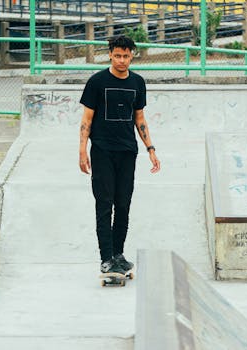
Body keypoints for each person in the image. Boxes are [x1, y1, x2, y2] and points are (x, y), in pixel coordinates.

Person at [78, 35, 161, 274]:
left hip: (128, 152)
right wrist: (82, 150)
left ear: (132, 55)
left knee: (123, 204)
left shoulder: (138, 83)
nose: (121, 60)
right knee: (104, 205)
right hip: (103, 151)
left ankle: (118, 254)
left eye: (125, 56)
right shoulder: (97, 81)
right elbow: (87, 120)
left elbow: (140, 119)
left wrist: (150, 149)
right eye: (117, 56)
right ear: (110, 55)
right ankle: (106, 257)